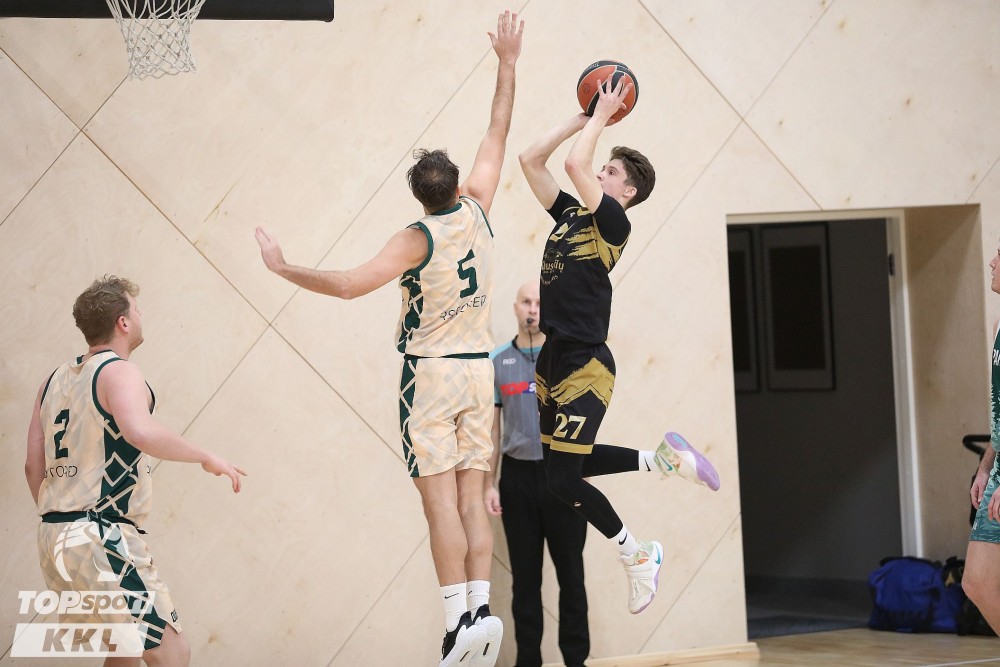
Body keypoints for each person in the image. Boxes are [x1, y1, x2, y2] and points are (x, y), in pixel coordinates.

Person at [255, 12, 523, 666]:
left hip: (431, 376)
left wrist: (284, 267)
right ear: (456, 185)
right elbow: (497, 129)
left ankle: (456, 625)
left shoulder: (414, 238)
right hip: (478, 371)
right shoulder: (480, 206)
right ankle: (481, 612)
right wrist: (507, 64)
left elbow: (349, 285)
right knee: (471, 499)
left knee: (439, 504)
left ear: (417, 196)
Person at [517, 78, 721, 616]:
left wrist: (603, 117)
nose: (600, 173)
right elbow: (531, 160)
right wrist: (582, 118)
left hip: (586, 363)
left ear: (625, 191)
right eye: (602, 168)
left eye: (610, 172)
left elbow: (574, 165)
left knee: (562, 480)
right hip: (552, 358)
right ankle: (660, 461)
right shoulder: (570, 216)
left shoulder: (613, 223)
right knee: (561, 469)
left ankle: (637, 555)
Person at [24, 276, 246, 667]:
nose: (141, 316)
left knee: (124, 652)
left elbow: (32, 468)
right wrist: (204, 456)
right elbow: (139, 431)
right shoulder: (119, 371)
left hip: (54, 537)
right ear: (123, 322)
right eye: (137, 310)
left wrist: (65, 520)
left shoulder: (50, 382)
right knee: (172, 651)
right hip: (99, 534)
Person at [486, 279, 589, 667]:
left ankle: (576, 660)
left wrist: (583, 473)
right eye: (526, 302)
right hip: (517, 480)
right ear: (516, 307)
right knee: (525, 581)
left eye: (539, 303)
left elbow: (584, 421)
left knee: (571, 576)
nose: (533, 309)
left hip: (562, 476)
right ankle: (528, 660)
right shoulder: (498, 361)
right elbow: (493, 429)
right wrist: (489, 483)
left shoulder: (566, 359)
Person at [963, 243, 1000, 632]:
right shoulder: (998, 326)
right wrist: (986, 465)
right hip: (999, 468)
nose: (992, 261)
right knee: (977, 582)